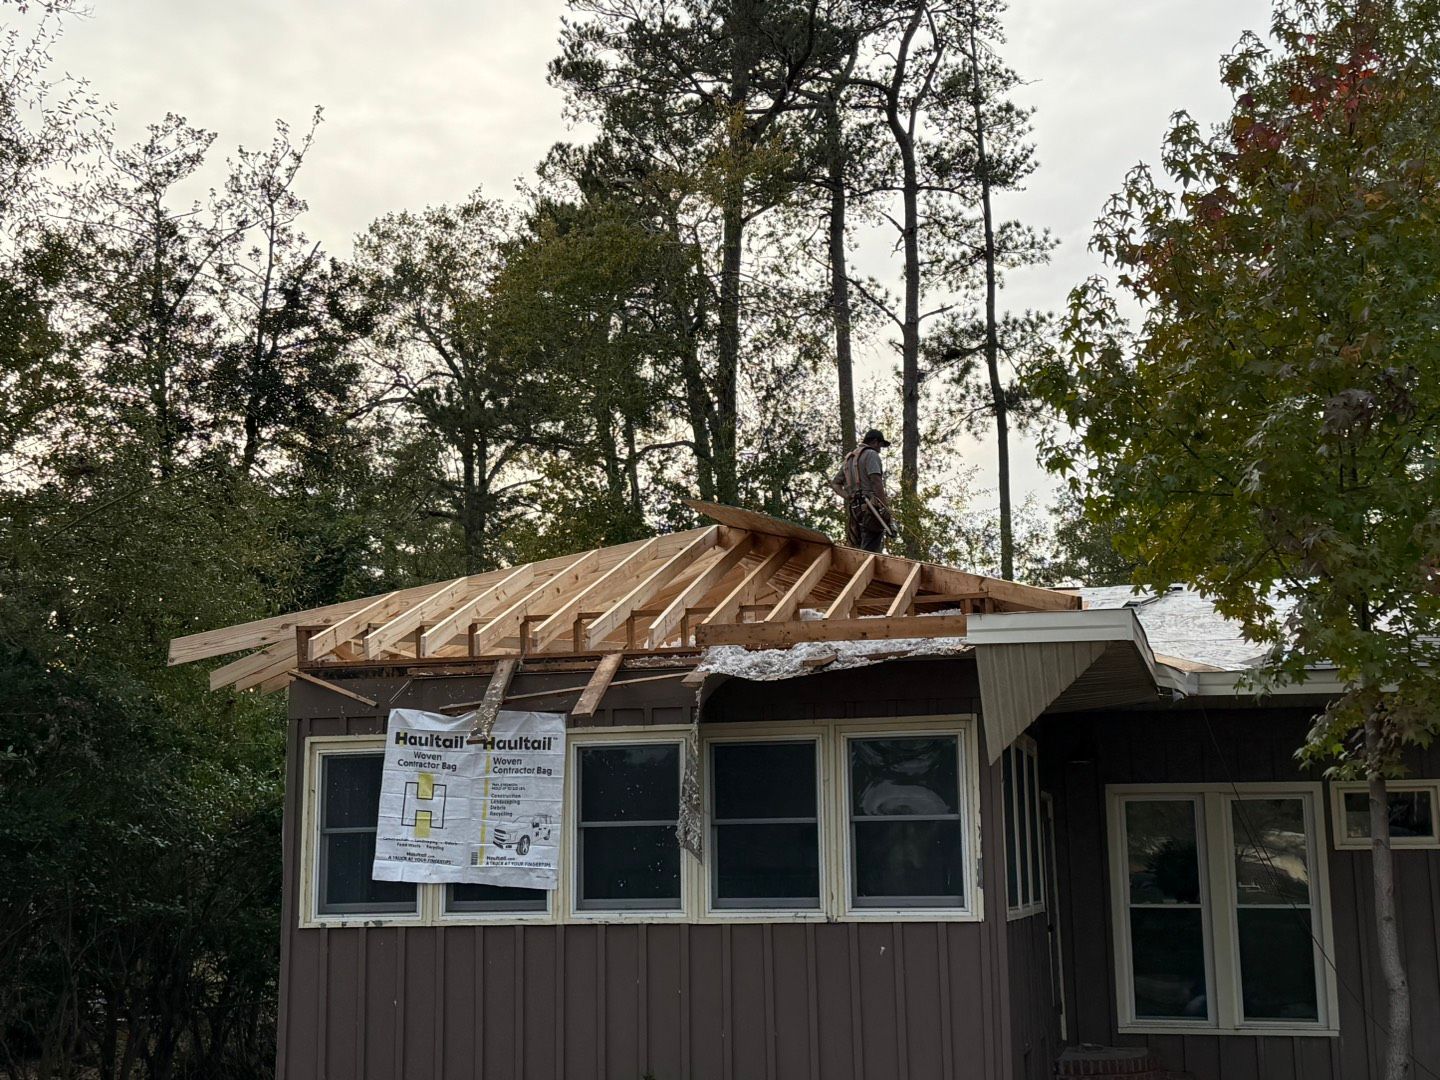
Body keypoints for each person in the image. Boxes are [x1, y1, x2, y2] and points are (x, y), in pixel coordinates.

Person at [830, 429, 893, 552]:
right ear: (875, 442)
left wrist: (849, 497)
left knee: (857, 550)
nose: (880, 450)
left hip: (855, 512)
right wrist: (885, 508)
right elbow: (876, 481)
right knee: (871, 554)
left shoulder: (849, 460)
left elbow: (835, 484)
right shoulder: (871, 454)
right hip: (871, 510)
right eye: (880, 445)